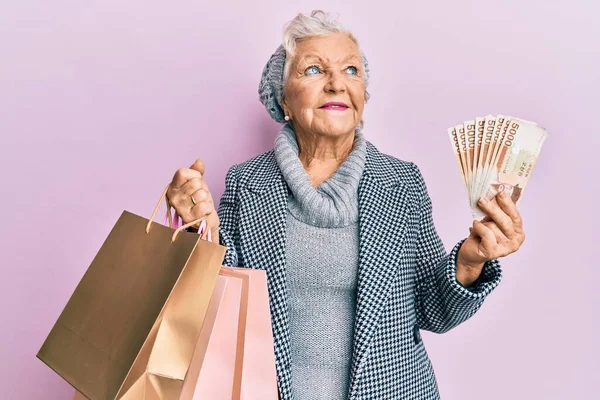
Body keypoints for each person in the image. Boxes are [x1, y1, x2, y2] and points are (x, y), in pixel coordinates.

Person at [166, 10, 525, 400]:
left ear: (363, 97)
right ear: (283, 97)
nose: (337, 84)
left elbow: (432, 310)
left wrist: (469, 262)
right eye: (315, 70)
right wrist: (200, 228)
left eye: (351, 70)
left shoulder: (402, 183)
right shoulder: (246, 183)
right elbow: (219, 310)